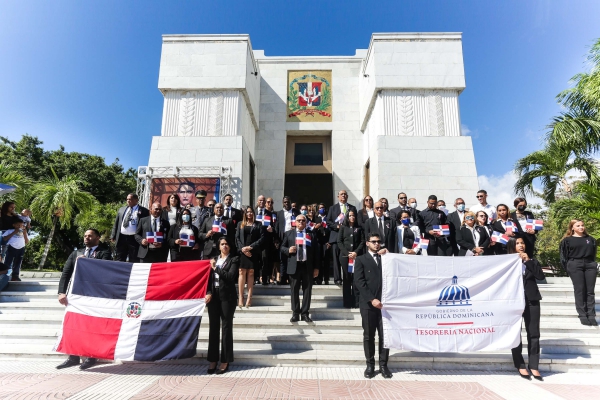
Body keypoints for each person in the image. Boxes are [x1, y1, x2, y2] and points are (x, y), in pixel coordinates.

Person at [56, 229, 112, 370]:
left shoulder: (104, 252)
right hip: (76, 295)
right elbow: (66, 273)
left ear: (97, 238)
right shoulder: (76, 253)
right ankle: (73, 357)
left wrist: (86, 261)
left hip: (95, 295)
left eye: (90, 236)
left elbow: (104, 269)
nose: (86, 238)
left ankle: (91, 356)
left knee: (92, 326)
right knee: (74, 325)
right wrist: (61, 292)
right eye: (85, 236)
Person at [353, 232, 392, 379]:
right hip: (368, 304)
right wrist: (371, 299)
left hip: (384, 304)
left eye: (379, 241)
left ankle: (383, 365)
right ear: (367, 243)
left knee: (384, 336)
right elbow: (359, 282)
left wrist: (389, 254)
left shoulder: (386, 258)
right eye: (374, 241)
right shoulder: (361, 259)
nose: (377, 244)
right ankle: (370, 365)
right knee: (369, 336)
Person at [508, 237, 545, 381]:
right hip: (514, 302)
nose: (520, 245)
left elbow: (540, 276)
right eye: (517, 243)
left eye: (522, 243)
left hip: (532, 300)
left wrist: (528, 261)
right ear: (512, 246)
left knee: (534, 334)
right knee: (516, 335)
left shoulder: (532, 261)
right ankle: (520, 364)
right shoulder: (507, 263)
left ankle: (534, 365)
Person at [206, 237, 239, 375]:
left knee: (226, 328)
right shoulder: (213, 259)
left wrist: (216, 268)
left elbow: (230, 276)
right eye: (222, 244)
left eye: (227, 244)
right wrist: (208, 292)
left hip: (227, 298)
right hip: (214, 297)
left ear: (230, 247)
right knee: (213, 327)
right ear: (219, 246)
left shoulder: (234, 259)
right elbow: (207, 278)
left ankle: (225, 360)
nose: (225, 246)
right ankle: (213, 359)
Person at [280, 214, 319, 322]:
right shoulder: (289, 234)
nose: (301, 222)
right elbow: (282, 248)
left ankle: (305, 313)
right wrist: (288, 250)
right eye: (299, 220)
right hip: (294, 265)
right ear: (295, 222)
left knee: (307, 290)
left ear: (306, 223)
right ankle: (295, 313)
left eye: (303, 220)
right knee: (294, 290)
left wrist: (316, 267)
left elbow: (316, 252)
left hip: (307, 266)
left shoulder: (311, 234)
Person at [560, 219, 598, 326]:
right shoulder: (567, 240)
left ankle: (591, 315)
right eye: (578, 225)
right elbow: (563, 256)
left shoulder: (590, 239)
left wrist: (593, 264)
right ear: (572, 228)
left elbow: (593, 253)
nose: (581, 227)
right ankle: (582, 315)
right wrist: (568, 267)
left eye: (582, 225)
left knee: (590, 291)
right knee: (580, 290)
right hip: (575, 265)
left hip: (590, 265)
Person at [326, 190, 358, 285]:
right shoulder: (332, 208)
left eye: (345, 194)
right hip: (336, 236)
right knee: (336, 258)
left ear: (347, 196)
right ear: (338, 196)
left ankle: (348, 277)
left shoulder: (352, 208)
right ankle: (337, 279)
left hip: (349, 237)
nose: (343, 196)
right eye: (341, 194)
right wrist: (337, 226)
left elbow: (355, 221)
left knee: (349, 257)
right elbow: (328, 222)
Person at [235, 206, 265, 308]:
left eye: (251, 212)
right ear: (245, 214)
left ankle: (249, 297)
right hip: (242, 251)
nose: (249, 214)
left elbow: (262, 239)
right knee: (241, 272)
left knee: (251, 273)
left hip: (253, 251)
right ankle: (241, 297)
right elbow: (237, 238)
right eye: (247, 212)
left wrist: (250, 247)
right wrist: (242, 249)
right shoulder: (240, 224)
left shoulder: (258, 224)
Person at [337, 210, 365, 308]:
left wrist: (356, 252)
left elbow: (362, 241)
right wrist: (347, 253)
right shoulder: (343, 228)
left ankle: (356, 302)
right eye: (350, 215)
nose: (352, 217)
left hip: (356, 256)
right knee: (347, 279)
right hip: (345, 257)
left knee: (356, 279)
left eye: (353, 215)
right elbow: (339, 242)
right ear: (347, 217)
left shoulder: (359, 228)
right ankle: (347, 303)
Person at [111, 193, 150, 262]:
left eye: (130, 199)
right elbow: (116, 223)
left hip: (134, 238)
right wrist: (113, 235)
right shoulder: (121, 209)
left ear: (136, 200)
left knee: (134, 258)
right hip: (122, 237)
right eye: (127, 199)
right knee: (120, 258)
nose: (128, 201)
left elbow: (146, 226)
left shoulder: (144, 211)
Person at [276, 196, 299, 285]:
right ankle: (283, 278)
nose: (286, 204)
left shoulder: (296, 212)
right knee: (283, 259)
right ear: (283, 203)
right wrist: (276, 240)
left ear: (290, 202)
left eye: (288, 202)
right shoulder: (279, 213)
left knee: (292, 257)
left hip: (293, 236)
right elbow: (277, 227)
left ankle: (291, 278)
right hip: (283, 237)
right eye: (285, 202)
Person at [256, 195, 276, 285]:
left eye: (263, 200)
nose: (262, 202)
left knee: (265, 259)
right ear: (257, 202)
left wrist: (272, 230)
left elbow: (274, 227)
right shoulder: (254, 212)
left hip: (266, 240)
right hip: (255, 240)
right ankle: (256, 277)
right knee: (256, 259)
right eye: (260, 200)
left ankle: (265, 278)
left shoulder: (269, 213)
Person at [2, 217, 28, 281]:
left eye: (21, 225)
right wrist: (14, 232)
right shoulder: (9, 231)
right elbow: (5, 239)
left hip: (21, 248)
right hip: (11, 247)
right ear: (14, 225)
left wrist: (24, 234)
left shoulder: (23, 232)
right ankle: (4, 275)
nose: (19, 226)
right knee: (8, 261)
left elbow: (26, 241)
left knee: (18, 262)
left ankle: (15, 276)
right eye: (18, 225)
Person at [265, 197, 281, 284]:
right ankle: (270, 276)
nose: (269, 204)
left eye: (271, 202)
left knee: (276, 258)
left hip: (275, 237)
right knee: (268, 259)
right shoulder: (263, 213)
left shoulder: (276, 214)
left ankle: (278, 275)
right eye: (268, 202)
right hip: (267, 237)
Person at [314, 203, 331, 285]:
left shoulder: (328, 219)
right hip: (319, 242)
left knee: (326, 261)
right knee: (319, 261)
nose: (322, 209)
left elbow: (331, 230)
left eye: (323, 208)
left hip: (327, 242)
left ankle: (327, 278)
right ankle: (319, 279)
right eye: (320, 208)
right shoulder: (316, 219)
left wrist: (329, 241)